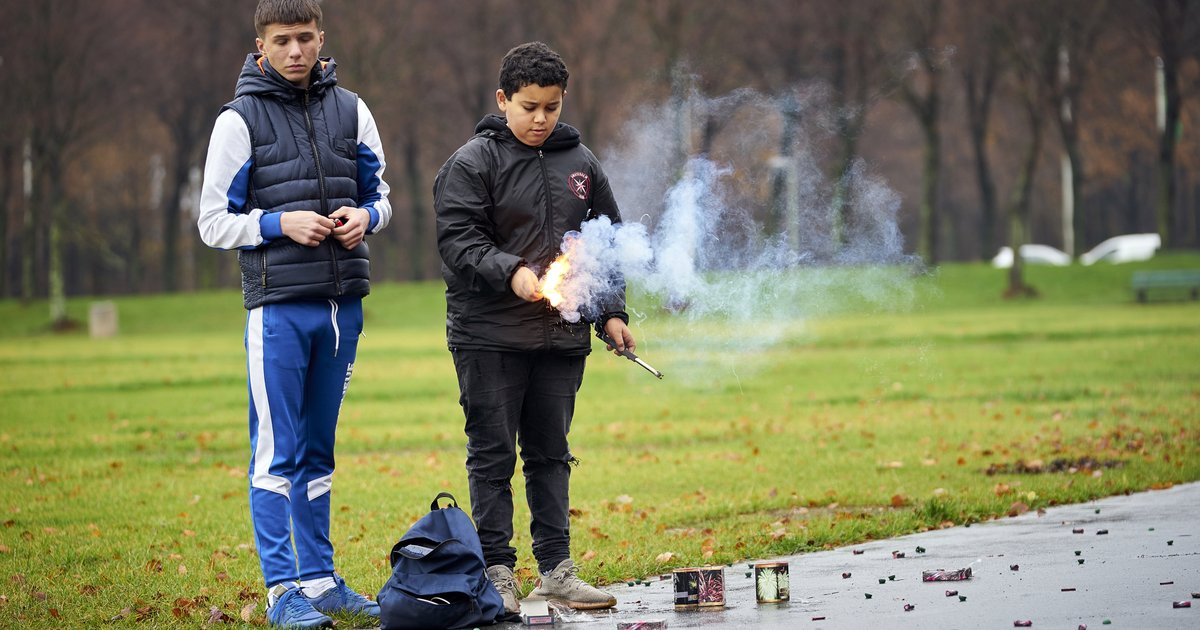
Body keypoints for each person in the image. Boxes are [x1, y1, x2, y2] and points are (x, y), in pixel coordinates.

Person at [196, 1, 390, 627]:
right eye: (282, 41)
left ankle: (321, 580)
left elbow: (381, 196)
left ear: (322, 39)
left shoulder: (353, 110)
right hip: (277, 312)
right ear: (261, 47)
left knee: (319, 452)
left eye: (305, 38)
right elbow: (211, 223)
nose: (295, 51)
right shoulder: (237, 121)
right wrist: (280, 223)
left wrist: (367, 218)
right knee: (277, 453)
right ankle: (283, 591)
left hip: (343, 310)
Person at [434, 41, 635, 615]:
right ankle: (498, 572)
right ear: (503, 100)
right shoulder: (472, 163)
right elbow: (457, 242)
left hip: (561, 340)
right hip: (489, 335)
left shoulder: (582, 164)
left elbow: (609, 245)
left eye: (551, 106)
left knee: (551, 453)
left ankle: (557, 570)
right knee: (492, 455)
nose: (541, 118)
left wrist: (613, 311)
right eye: (528, 107)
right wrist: (513, 274)